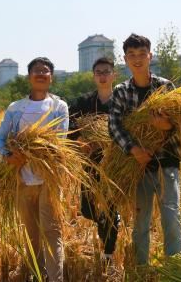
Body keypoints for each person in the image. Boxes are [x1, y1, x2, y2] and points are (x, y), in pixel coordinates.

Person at [108, 34, 181, 265]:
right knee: (141, 221)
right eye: (132, 55)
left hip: (166, 162)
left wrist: (168, 125)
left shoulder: (165, 87)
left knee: (171, 217)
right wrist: (133, 150)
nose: (137, 59)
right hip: (137, 167)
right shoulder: (121, 91)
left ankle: (175, 266)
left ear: (150, 56)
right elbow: (114, 125)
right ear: (125, 59)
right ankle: (140, 269)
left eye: (142, 54)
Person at [0, 57, 68, 282]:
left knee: (52, 233)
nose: (41, 74)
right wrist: (8, 157)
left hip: (49, 180)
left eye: (45, 71)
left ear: (51, 77)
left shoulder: (58, 106)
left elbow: (61, 142)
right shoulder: (16, 108)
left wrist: (37, 152)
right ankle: (36, 275)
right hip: (22, 180)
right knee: (31, 234)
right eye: (36, 71)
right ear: (29, 77)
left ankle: (55, 279)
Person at [69, 56, 121, 266]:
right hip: (90, 163)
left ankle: (108, 253)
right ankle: (104, 221)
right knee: (87, 209)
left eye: (106, 71)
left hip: (115, 164)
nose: (102, 76)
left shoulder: (122, 99)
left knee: (109, 209)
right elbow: (69, 123)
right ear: (94, 76)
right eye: (99, 72)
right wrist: (81, 140)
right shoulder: (84, 102)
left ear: (113, 75)